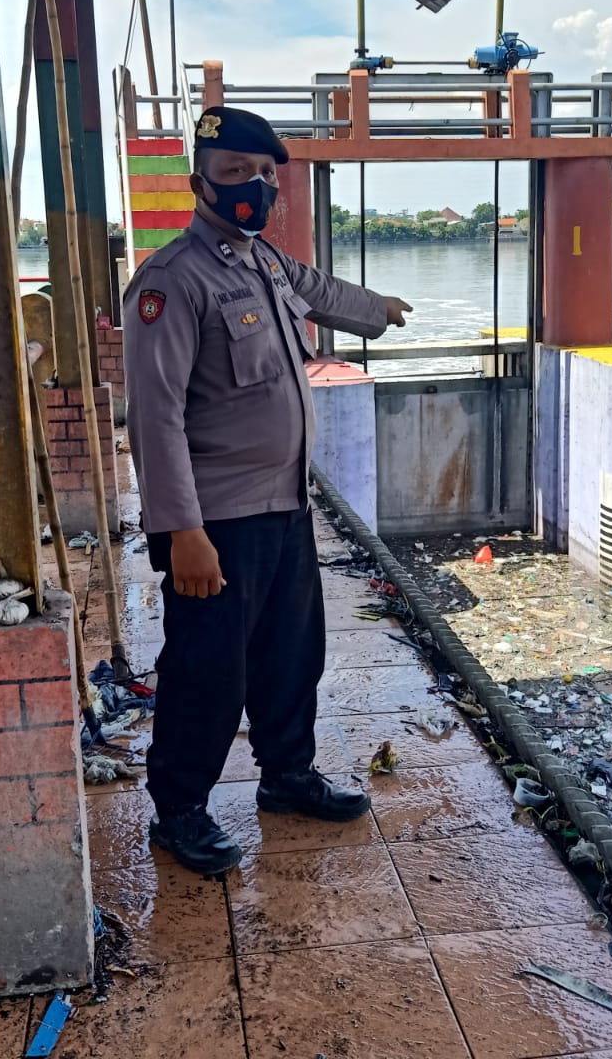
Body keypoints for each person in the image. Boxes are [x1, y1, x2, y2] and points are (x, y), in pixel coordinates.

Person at [122, 107, 412, 874]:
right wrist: (182, 531)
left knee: (291, 654)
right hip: (217, 520)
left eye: (263, 175)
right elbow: (154, 416)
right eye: (234, 173)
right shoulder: (171, 282)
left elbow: (319, 289)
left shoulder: (265, 264)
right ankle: (180, 810)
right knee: (207, 671)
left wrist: (377, 311)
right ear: (199, 184)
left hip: (285, 504)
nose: (253, 187)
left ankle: (287, 776)